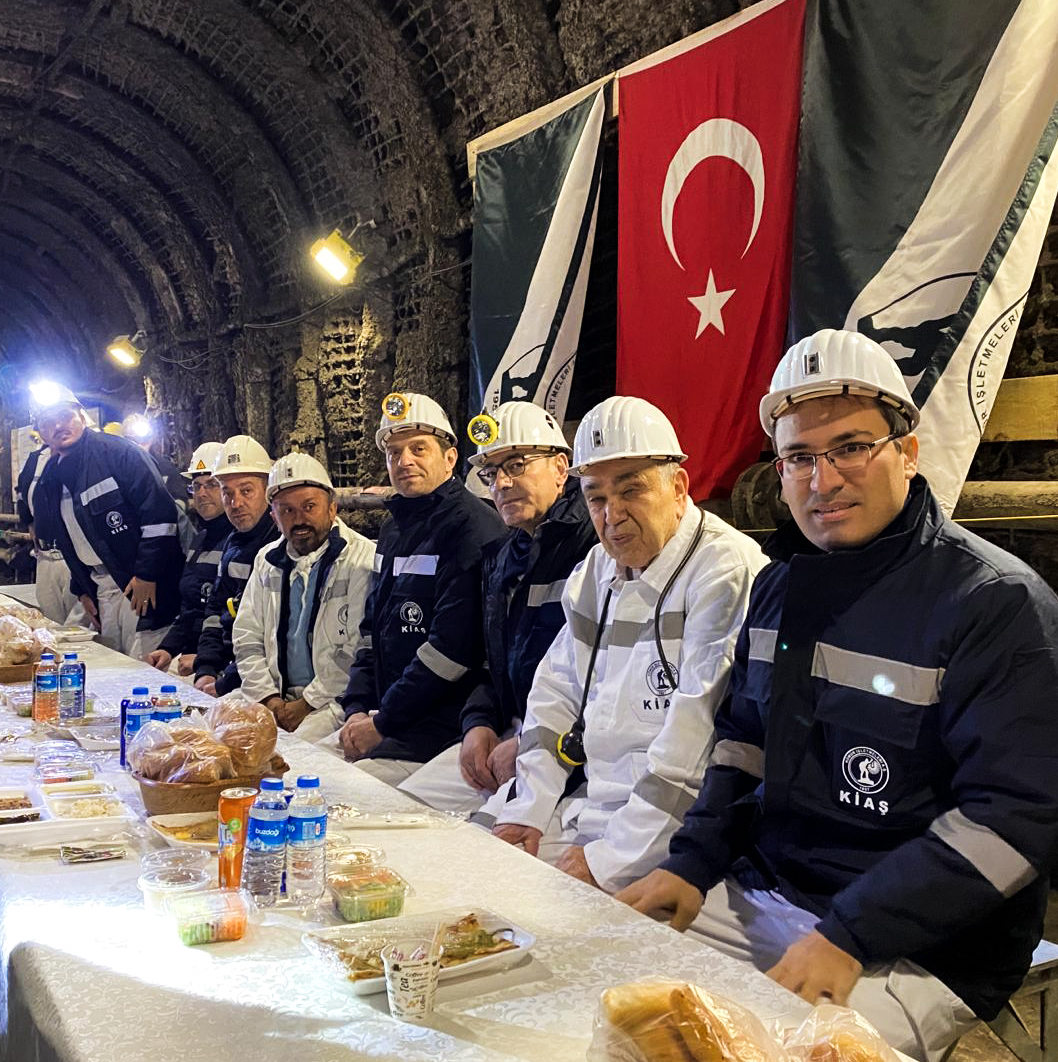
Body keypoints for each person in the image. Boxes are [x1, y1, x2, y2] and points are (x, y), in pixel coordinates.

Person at [616, 330, 1058, 1062]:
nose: (822, 480)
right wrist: (692, 862)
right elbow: (743, 742)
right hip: (776, 893)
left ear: (909, 451)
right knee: (616, 1005)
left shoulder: (993, 603)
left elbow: (1017, 818)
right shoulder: (781, 587)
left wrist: (853, 931)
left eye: (851, 447)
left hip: (928, 945)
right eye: (798, 457)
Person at [475, 396, 762, 892]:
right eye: (597, 498)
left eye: (632, 490)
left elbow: (694, 746)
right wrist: (529, 808)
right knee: (475, 866)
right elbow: (556, 695)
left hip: (677, 839)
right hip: (594, 809)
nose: (613, 515)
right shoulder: (595, 572)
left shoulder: (724, 571)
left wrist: (610, 859)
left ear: (679, 488)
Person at [394, 401, 595, 813]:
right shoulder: (504, 554)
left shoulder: (593, 546)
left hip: (573, 752)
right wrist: (478, 723)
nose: (501, 483)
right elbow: (493, 662)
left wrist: (529, 744)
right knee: (406, 809)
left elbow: (606, 681)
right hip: (510, 732)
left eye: (517, 464)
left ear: (561, 468)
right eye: (491, 473)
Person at [332, 392, 505, 784]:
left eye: (418, 448)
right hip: (390, 718)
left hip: (439, 729)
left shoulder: (473, 527)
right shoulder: (394, 528)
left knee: (347, 795)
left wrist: (383, 722)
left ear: (450, 458)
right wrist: (357, 707)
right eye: (393, 452)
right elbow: (371, 630)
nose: (404, 460)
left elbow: (453, 650)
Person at [29, 383, 184, 658]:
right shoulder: (51, 477)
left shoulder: (118, 453)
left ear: (81, 416)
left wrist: (147, 574)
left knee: (143, 665)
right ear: (40, 431)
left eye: (65, 417)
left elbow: (160, 516)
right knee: (114, 663)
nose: (58, 426)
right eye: (48, 422)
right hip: (100, 584)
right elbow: (69, 538)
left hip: (139, 584)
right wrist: (82, 589)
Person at [233, 453, 376, 742]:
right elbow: (247, 636)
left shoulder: (361, 558)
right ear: (273, 517)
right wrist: (268, 697)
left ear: (332, 508)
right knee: (225, 739)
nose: (299, 519)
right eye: (286, 511)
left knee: (292, 757)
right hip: (272, 699)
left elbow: (357, 648)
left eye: (309, 507)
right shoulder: (267, 560)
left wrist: (307, 702)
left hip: (333, 701)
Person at [193, 435, 280, 695]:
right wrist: (206, 667)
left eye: (246, 491)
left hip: (265, 679)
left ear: (267, 490)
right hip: (233, 670)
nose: (236, 503)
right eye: (227, 492)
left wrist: (223, 683)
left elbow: (267, 636)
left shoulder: (281, 546)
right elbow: (215, 610)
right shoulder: (234, 542)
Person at [145, 442, 232, 676]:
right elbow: (191, 610)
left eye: (212, 485)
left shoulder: (240, 543)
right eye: (197, 486)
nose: (202, 494)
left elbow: (237, 622)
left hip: (218, 664)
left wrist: (205, 660)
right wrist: (167, 648)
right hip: (196, 656)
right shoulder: (200, 539)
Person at [15, 436, 86, 626]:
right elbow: (21, 492)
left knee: (77, 624)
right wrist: (29, 523)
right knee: (50, 621)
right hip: (45, 556)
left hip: (73, 556)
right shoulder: (36, 458)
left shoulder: (85, 456)